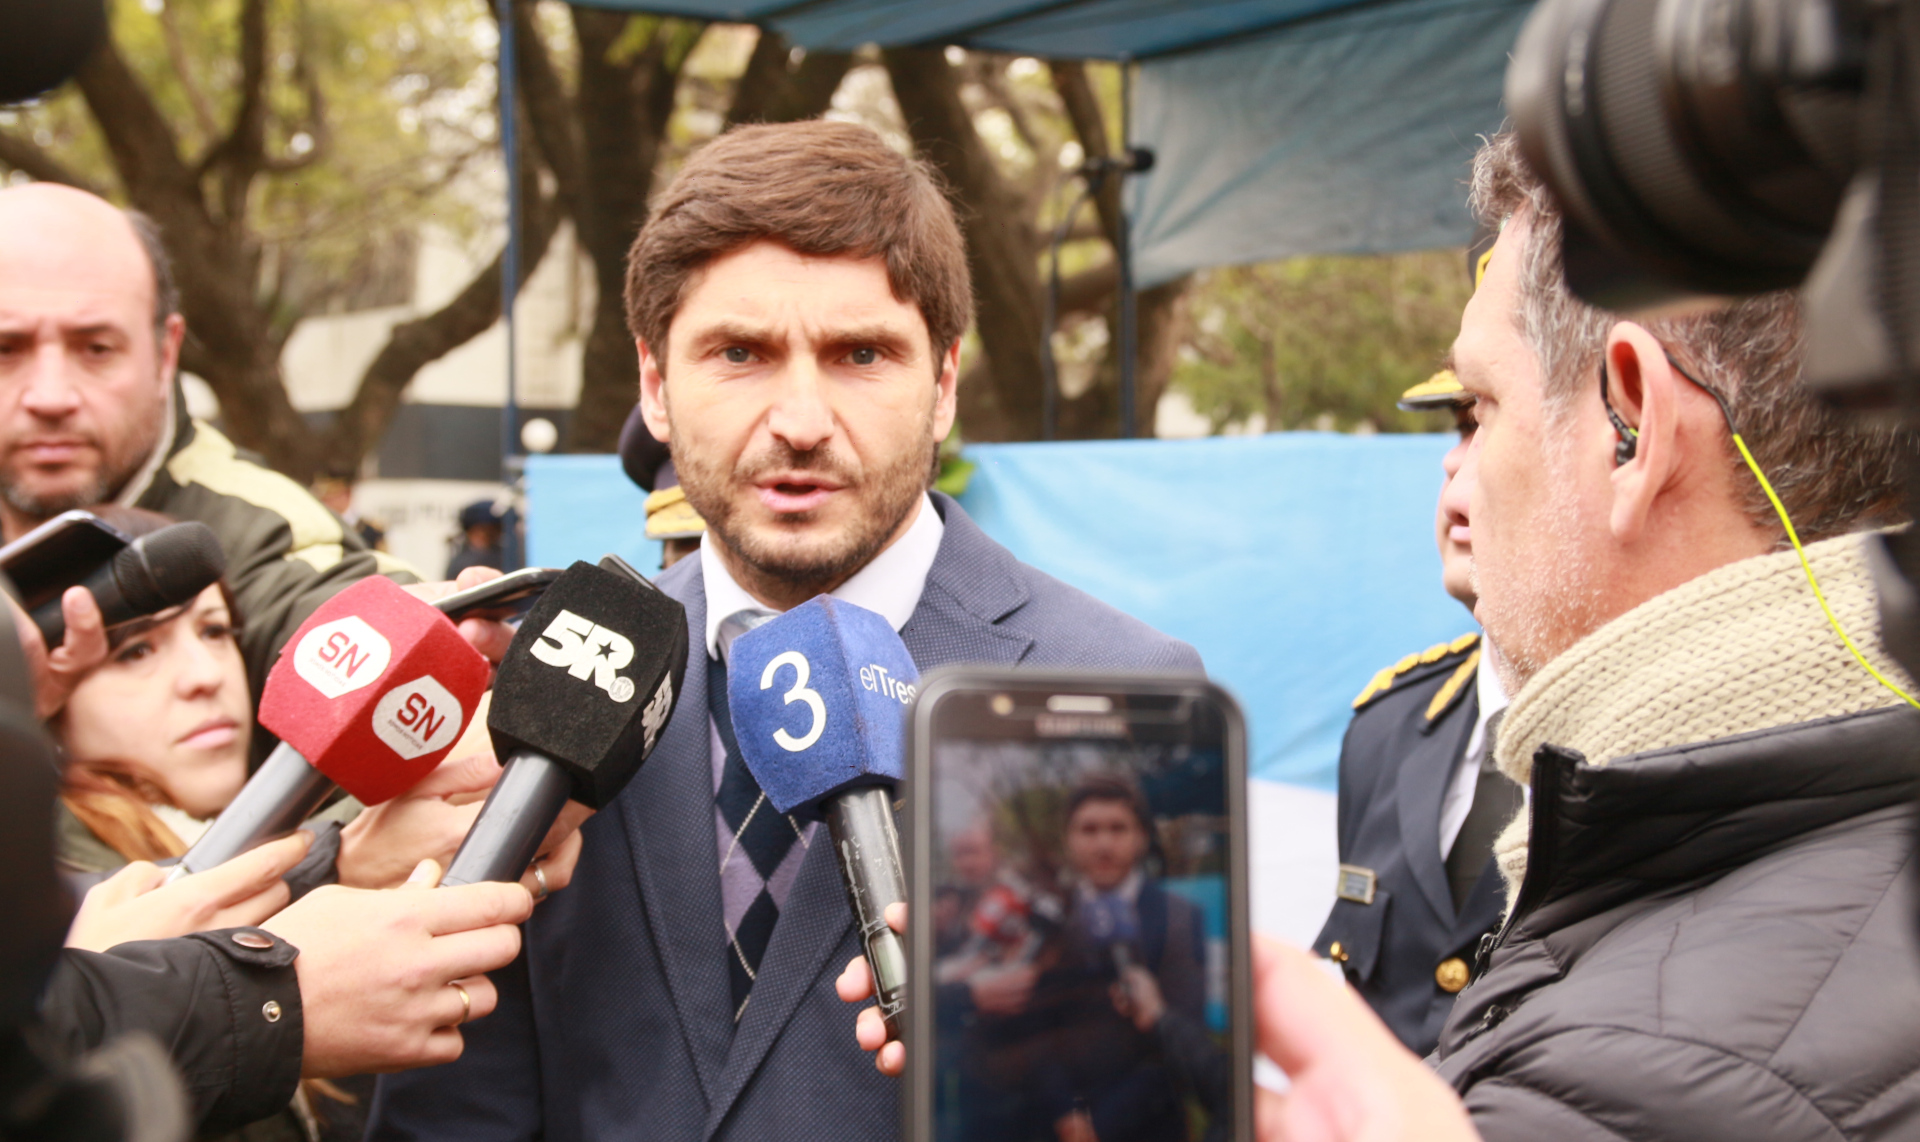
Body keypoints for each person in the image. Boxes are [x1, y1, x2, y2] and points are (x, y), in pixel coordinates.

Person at [368, 118, 1202, 1142]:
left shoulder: (1121, 689)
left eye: (861, 353)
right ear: (655, 385)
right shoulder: (556, 684)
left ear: (943, 383)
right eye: (740, 353)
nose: (801, 419)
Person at [0, 183, 458, 708]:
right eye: (5, 349)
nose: (51, 397)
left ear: (165, 354)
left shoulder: (262, 536)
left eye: (97, 349)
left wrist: (434, 655)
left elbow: (339, 616)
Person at [1308, 366, 1519, 1056]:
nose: (1453, 461)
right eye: (1460, 428)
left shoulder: (1661, 745)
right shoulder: (1385, 729)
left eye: (1489, 423)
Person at [446, 499, 506, 578]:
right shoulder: (462, 562)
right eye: (483, 530)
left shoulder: (502, 556)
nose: (488, 535)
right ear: (470, 531)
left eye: (495, 529)